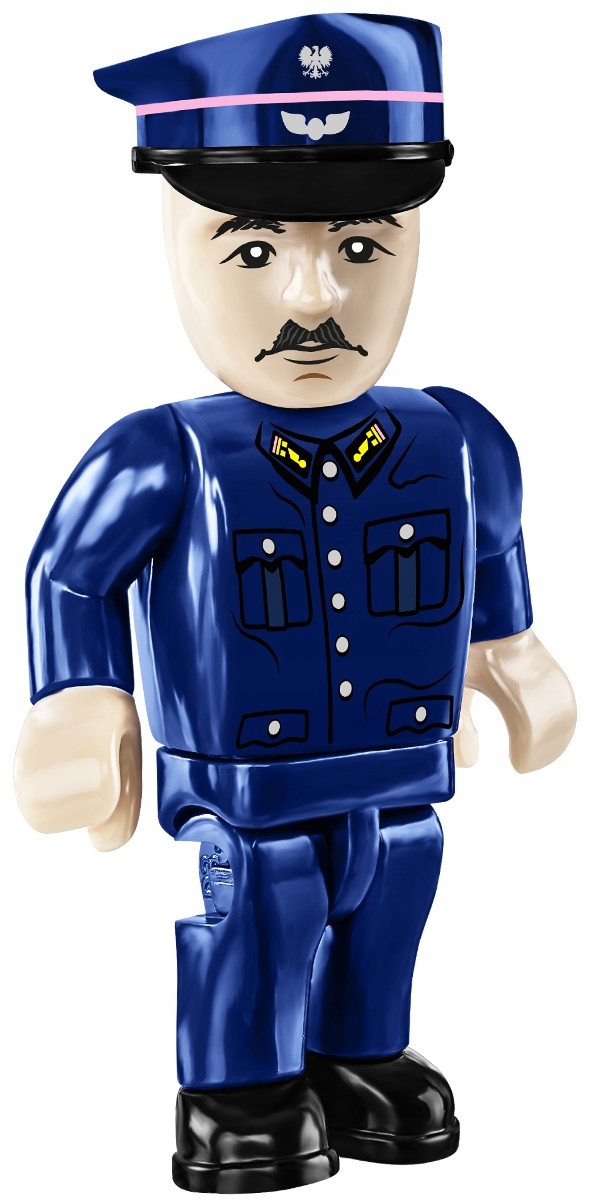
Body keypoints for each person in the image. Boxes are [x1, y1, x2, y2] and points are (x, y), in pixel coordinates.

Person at [14, 14, 576, 1194]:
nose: (314, 297)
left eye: (361, 246)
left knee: (396, 886)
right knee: (264, 904)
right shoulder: (162, 456)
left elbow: (493, 549)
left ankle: (361, 1054)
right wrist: (81, 698)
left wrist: (514, 651)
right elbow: (70, 572)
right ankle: (239, 1087)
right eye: (255, 249)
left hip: (401, 759)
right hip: (251, 780)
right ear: (179, 246)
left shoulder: (457, 437)